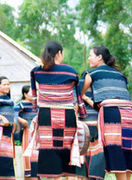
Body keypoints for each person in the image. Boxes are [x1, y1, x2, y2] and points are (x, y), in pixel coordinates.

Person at [27, 41, 86, 179]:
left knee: (50, 151)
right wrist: (82, 113)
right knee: (68, 150)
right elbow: (78, 96)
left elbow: (34, 96)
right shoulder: (70, 71)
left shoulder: (36, 71)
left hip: (46, 115)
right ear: (59, 53)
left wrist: (35, 109)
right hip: (67, 115)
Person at [82, 46, 132, 180]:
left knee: (116, 151)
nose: (89, 58)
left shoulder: (92, 73)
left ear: (99, 57)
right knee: (126, 148)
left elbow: (79, 94)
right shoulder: (120, 75)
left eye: (91, 55)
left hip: (113, 113)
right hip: (129, 114)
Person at [0, 76, 25, 180]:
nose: (7, 86)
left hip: (9, 133)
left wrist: (13, 122)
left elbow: (12, 114)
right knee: (1, 158)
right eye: (4, 84)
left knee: (9, 158)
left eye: (8, 84)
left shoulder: (9, 100)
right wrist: (0, 121)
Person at [77, 72, 106, 180]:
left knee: (96, 166)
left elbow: (101, 108)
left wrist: (85, 98)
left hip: (97, 132)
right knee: (81, 167)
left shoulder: (98, 93)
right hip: (82, 133)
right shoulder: (76, 94)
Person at [14, 86, 38, 180]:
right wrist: (22, 121)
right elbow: (14, 114)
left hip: (37, 134)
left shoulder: (37, 106)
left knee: (37, 158)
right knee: (28, 158)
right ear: (25, 94)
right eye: (32, 92)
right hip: (26, 134)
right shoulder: (20, 105)